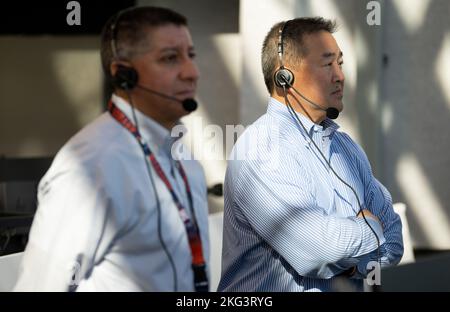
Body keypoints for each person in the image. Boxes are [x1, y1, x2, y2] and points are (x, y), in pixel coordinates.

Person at [14, 6, 210, 291]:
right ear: (123, 74)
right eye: (170, 59)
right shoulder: (92, 166)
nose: (192, 72)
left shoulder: (185, 160)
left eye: (190, 56)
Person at [218, 17, 403, 292]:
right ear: (285, 76)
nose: (340, 75)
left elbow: (395, 242)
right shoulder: (261, 148)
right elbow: (316, 252)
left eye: (340, 63)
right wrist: (370, 229)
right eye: (327, 64)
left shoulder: (346, 147)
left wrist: (349, 261)